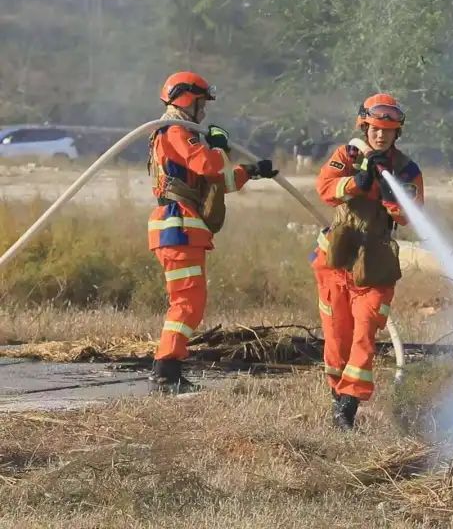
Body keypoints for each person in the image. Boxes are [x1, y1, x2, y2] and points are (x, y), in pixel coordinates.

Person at [147, 71, 278, 393]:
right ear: (187, 100)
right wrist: (219, 146)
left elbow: (215, 185)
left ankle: (168, 368)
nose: (204, 113)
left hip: (181, 226)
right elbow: (211, 167)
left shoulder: (178, 132)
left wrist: (250, 172)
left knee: (189, 301)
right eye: (201, 104)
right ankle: (166, 372)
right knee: (187, 302)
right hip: (178, 226)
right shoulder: (177, 130)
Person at [309, 93, 424, 429]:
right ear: (364, 126)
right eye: (374, 128)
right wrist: (356, 182)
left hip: (374, 267)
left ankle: (348, 407)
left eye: (387, 131)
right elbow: (325, 188)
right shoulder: (347, 154)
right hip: (336, 260)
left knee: (364, 334)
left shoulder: (406, 169)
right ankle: (337, 396)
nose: (380, 135)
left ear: (396, 133)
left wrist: (389, 191)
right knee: (336, 338)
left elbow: (408, 216)